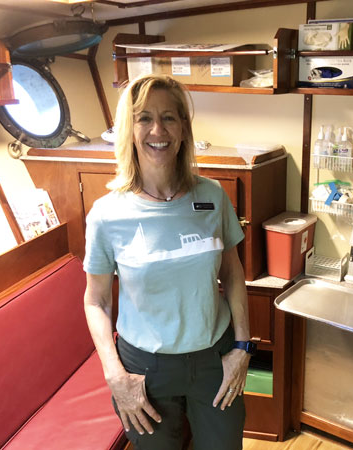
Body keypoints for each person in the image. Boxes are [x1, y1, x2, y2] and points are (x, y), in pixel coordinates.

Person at [83, 74, 254, 450]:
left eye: (169, 118)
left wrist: (243, 348)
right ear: (129, 130)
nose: (157, 129)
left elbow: (233, 272)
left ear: (182, 129)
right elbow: (96, 300)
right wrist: (114, 374)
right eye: (144, 118)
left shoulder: (212, 195)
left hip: (215, 358)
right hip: (144, 369)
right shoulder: (107, 214)